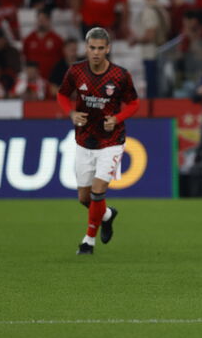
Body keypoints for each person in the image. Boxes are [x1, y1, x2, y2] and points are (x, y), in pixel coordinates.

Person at [56, 27, 139, 255]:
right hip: (84, 141)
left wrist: (117, 118)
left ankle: (87, 242)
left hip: (111, 141)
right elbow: (62, 95)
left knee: (97, 190)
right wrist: (72, 114)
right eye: (92, 48)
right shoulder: (76, 71)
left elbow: (134, 104)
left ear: (108, 49)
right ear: (86, 47)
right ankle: (107, 215)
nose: (96, 53)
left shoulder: (120, 75)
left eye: (101, 48)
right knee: (85, 198)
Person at [137, 0, 169, 98]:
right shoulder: (162, 9)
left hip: (151, 53)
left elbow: (150, 34)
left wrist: (135, 40)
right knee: (159, 84)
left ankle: (153, 112)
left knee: (152, 89)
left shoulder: (149, 10)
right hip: (161, 50)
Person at [22, 10, 64, 82]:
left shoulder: (57, 39)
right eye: (39, 20)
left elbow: (61, 59)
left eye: (44, 20)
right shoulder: (28, 39)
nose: (41, 22)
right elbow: (25, 57)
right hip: (34, 80)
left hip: (52, 80)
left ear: (49, 21)